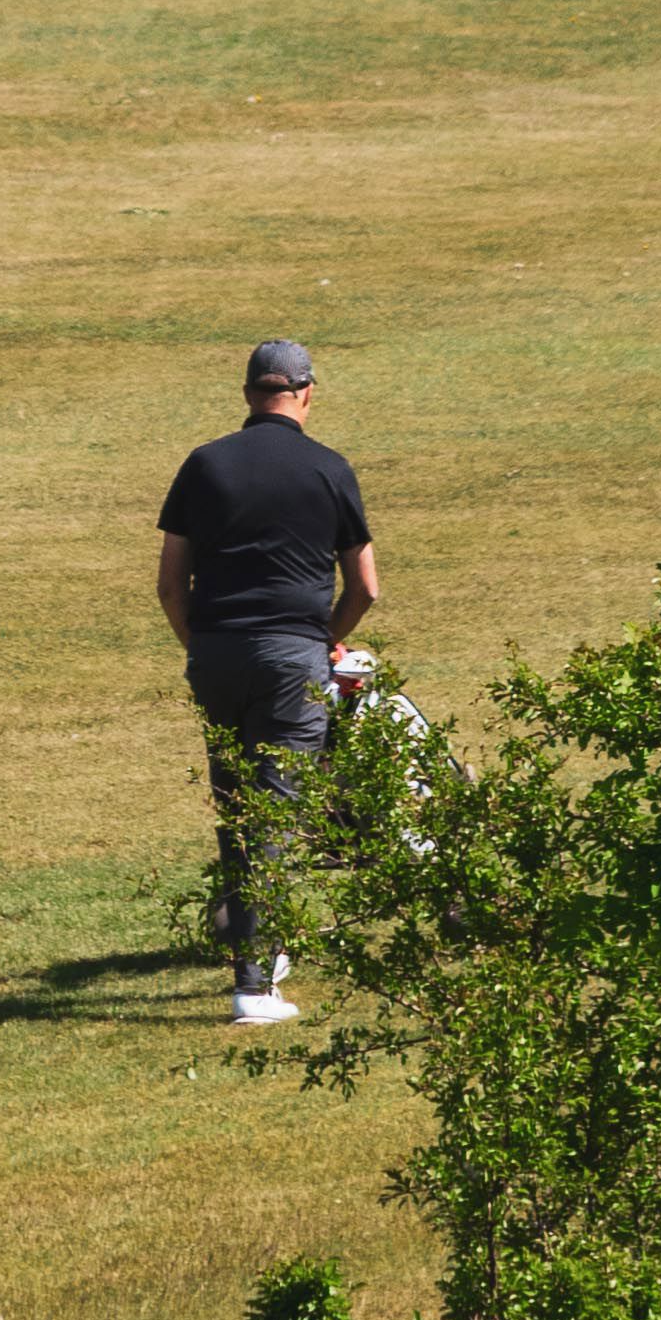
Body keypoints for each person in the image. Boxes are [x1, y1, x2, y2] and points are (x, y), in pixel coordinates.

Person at [154, 340, 377, 1032]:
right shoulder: (329, 468)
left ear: (249, 392)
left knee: (237, 806)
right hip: (292, 658)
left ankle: (258, 948)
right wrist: (322, 639)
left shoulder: (205, 464)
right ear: (308, 393)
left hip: (217, 654)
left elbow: (170, 585)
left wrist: (204, 649)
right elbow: (365, 586)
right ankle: (255, 984)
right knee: (276, 812)